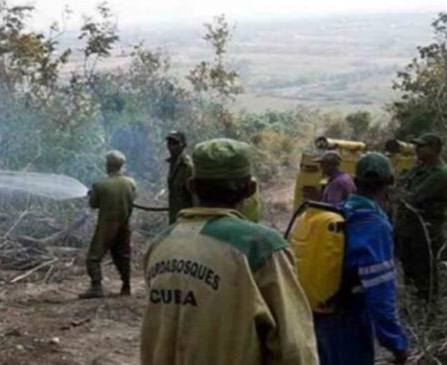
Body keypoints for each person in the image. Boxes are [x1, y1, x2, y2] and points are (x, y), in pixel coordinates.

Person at [141, 138, 318, 365]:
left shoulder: (162, 243)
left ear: (192, 186)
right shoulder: (260, 247)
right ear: (250, 189)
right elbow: (293, 347)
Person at [315, 153, 409, 365]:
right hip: (349, 321)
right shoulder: (375, 225)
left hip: (318, 315)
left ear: (355, 182)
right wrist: (397, 343)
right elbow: (380, 294)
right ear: (391, 182)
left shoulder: (336, 213)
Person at [395, 133, 447, 301]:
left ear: (434, 149)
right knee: (409, 271)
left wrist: (400, 194)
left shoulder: (441, 173)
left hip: (426, 230)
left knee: (425, 275)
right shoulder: (419, 168)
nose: (417, 149)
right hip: (409, 228)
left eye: (421, 146)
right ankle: (415, 308)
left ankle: (427, 312)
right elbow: (399, 186)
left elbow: (413, 197)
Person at [79, 150, 137, 299]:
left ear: (108, 165)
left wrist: (93, 195)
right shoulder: (130, 182)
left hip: (107, 226)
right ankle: (126, 286)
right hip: (124, 225)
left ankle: (96, 287)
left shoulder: (100, 185)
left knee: (93, 257)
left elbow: (93, 205)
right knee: (123, 256)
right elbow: (133, 199)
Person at [165, 131, 194, 224]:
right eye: (169, 143)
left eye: (175, 143)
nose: (171, 147)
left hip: (186, 218)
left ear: (183, 145)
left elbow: (194, 195)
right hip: (175, 216)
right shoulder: (173, 163)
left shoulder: (188, 167)